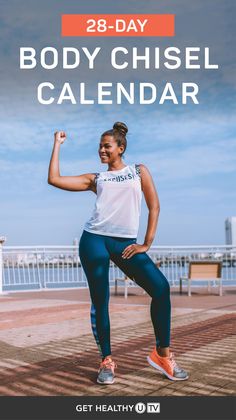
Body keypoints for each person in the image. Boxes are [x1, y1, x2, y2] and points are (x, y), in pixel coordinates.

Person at [48, 122, 189, 385]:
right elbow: (54, 179)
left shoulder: (139, 171)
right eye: (100, 146)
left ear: (120, 148)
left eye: (106, 146)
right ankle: (107, 360)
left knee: (161, 288)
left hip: (125, 244)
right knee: (100, 301)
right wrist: (57, 144)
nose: (101, 150)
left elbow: (154, 206)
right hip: (94, 241)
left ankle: (162, 355)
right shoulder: (97, 178)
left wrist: (146, 243)